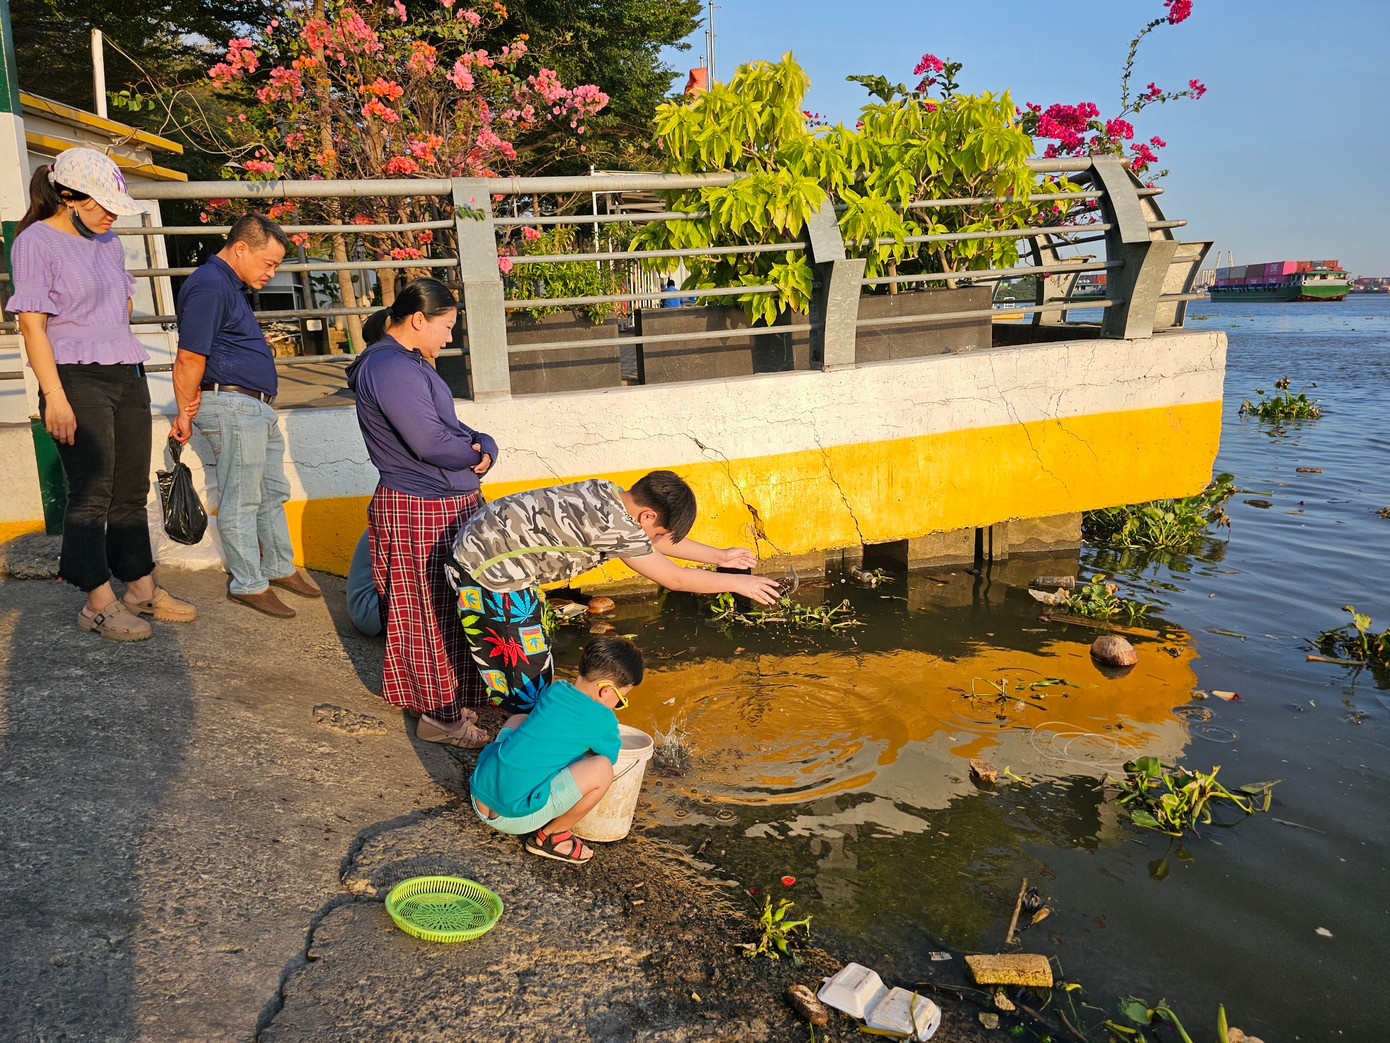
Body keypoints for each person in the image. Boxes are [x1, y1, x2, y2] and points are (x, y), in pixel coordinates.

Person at [9, 148, 197, 640]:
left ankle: (139, 587)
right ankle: (96, 602)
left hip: (125, 370)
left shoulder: (108, 241)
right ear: (70, 196)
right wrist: (54, 395)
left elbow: (122, 303)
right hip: (74, 376)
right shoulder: (35, 242)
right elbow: (31, 326)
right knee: (92, 492)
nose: (113, 214)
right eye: (105, 204)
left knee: (131, 490)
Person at [448, 469, 780, 713]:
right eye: (657, 530)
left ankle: (508, 715)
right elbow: (675, 579)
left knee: (533, 653)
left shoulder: (609, 492)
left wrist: (719, 557)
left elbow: (652, 540)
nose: (654, 539)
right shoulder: (617, 528)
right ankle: (522, 746)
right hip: (488, 571)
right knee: (528, 678)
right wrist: (740, 583)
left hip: (484, 548)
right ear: (647, 515)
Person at [346, 278, 499, 747]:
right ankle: (439, 718)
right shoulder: (388, 366)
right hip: (420, 505)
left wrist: (484, 443)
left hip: (440, 502)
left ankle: (450, 703)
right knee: (428, 615)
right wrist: (474, 454)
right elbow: (430, 441)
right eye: (446, 326)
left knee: (452, 610)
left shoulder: (407, 363)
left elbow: (447, 426)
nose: (449, 338)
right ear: (418, 320)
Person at [171, 213, 322, 618]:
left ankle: (277, 567)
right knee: (242, 497)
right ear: (240, 248)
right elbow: (189, 357)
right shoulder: (210, 285)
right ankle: (248, 584)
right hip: (233, 405)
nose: (271, 273)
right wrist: (184, 412)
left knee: (271, 492)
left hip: (252, 407)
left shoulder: (226, 285)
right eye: (268, 263)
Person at [470, 634, 643, 865]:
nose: (618, 705)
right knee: (602, 769)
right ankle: (553, 836)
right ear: (606, 691)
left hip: (480, 791)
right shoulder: (602, 718)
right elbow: (610, 757)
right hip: (513, 818)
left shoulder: (556, 689)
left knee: (520, 719)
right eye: (621, 700)